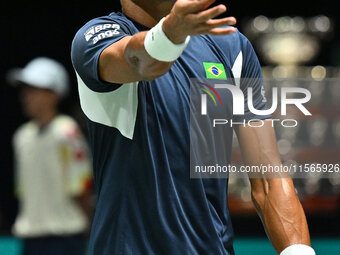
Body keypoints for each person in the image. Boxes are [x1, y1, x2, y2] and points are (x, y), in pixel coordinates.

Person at [71, 0, 315, 254]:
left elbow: (268, 179)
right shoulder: (96, 37)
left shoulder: (231, 46)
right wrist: (169, 34)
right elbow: (140, 62)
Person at [9, 57, 93, 255]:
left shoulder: (67, 132)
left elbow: (81, 189)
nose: (25, 96)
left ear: (54, 94)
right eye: (25, 90)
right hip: (30, 240)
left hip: (64, 241)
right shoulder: (22, 137)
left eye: (33, 90)